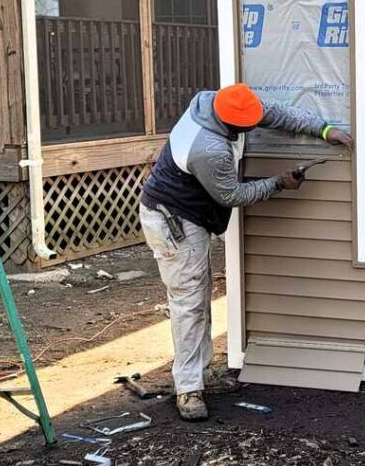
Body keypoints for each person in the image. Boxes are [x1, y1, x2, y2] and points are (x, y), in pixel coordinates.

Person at [140, 83, 352, 421]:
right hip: (172, 220)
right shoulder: (208, 148)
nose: (254, 127)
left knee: (199, 297)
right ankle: (188, 389)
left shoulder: (222, 102)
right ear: (231, 123)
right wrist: (279, 182)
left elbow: (278, 113)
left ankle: (200, 374)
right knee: (189, 303)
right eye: (248, 126)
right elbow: (232, 196)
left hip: (191, 213)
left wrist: (324, 129)